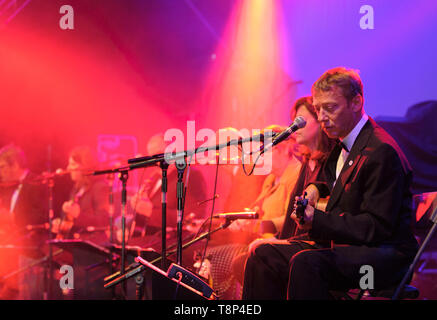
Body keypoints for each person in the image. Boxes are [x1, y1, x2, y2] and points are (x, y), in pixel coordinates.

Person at [242, 67, 419, 300]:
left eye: (330, 107)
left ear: (356, 103)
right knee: (263, 254)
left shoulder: (381, 151)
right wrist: (316, 188)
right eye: (318, 109)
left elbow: (375, 227)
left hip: (382, 260)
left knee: (307, 263)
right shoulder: (342, 143)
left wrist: (318, 220)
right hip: (351, 248)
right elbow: (337, 181)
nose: (322, 116)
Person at [231, 97, 336, 288]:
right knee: (242, 258)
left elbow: (319, 218)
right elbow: (288, 216)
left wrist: (269, 232)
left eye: (302, 119)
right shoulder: (305, 165)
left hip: (313, 245)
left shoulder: (326, 164)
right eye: (295, 120)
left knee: (252, 256)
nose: (296, 125)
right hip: (292, 240)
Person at [0, 144, 48, 299]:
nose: (0, 172)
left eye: (3, 167)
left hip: (30, 252)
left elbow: (43, 215)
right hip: (12, 251)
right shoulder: (9, 187)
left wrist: (13, 218)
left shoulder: (36, 182)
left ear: (15, 164)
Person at [54, 146, 110, 245]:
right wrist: (62, 224)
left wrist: (78, 215)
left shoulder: (99, 187)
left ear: (85, 167)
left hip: (94, 248)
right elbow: (73, 221)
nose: (68, 168)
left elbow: (104, 221)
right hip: (77, 246)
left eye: (73, 164)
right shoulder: (76, 189)